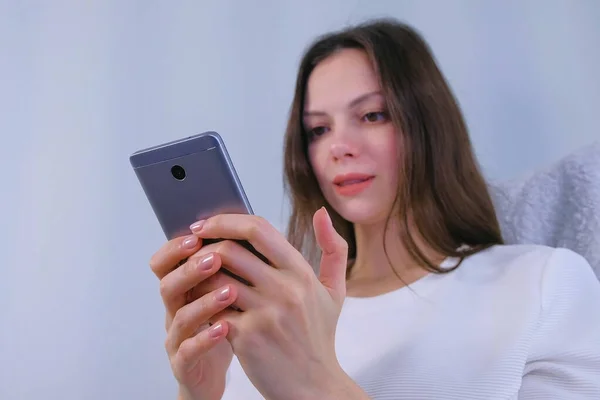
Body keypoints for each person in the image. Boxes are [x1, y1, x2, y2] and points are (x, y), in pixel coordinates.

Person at [148, 18, 600, 400]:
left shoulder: (544, 283)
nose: (338, 147)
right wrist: (203, 392)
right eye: (318, 130)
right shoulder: (278, 310)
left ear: (428, 125)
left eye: (372, 115)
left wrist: (317, 381)